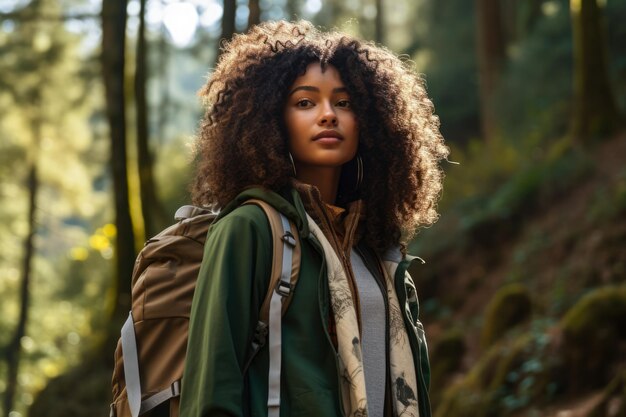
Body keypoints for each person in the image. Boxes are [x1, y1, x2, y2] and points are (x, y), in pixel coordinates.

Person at [180, 20, 448, 417]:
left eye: (344, 102)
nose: (327, 115)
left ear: (370, 121)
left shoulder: (379, 246)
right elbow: (211, 394)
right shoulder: (249, 230)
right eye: (305, 102)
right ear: (272, 119)